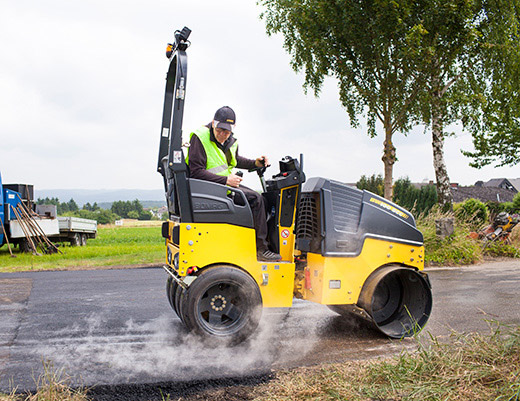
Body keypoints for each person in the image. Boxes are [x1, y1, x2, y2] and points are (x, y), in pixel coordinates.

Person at [186, 106, 282, 262]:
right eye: (220, 131)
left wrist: (255, 163)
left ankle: (258, 244)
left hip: (222, 185)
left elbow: (235, 160)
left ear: (233, 129)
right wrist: (225, 180)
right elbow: (195, 171)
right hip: (207, 189)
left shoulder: (230, 141)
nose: (223, 135)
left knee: (263, 200)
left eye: (227, 132)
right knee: (255, 200)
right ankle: (261, 250)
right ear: (213, 123)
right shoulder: (200, 137)